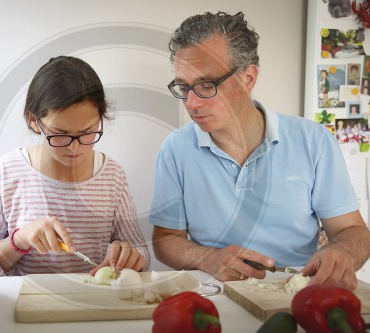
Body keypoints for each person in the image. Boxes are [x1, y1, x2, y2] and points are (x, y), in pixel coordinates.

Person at [150, 11, 370, 290]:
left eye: (207, 85)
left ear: (248, 78)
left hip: (297, 291)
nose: (191, 103)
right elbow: (165, 239)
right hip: (214, 293)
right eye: (183, 86)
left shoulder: (313, 140)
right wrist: (206, 257)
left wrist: (341, 253)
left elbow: (353, 231)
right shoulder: (175, 149)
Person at [0, 56, 150, 276]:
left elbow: (142, 257)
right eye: (60, 134)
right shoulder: (8, 171)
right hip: (25, 305)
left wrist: (131, 256)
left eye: (87, 132)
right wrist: (18, 241)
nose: (75, 148)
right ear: (34, 121)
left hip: (94, 304)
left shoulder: (112, 175)